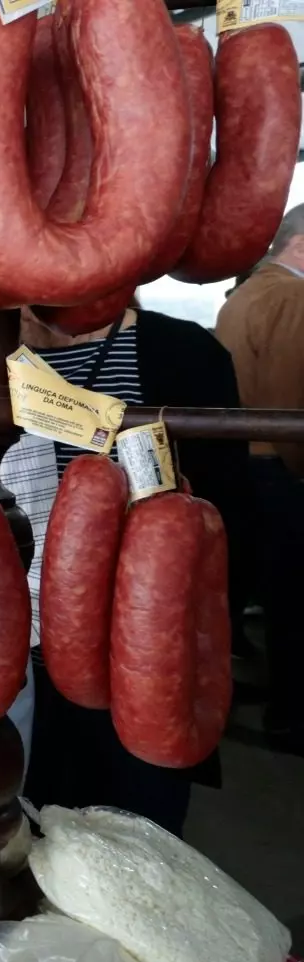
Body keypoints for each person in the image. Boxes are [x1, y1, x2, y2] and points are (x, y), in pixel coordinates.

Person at [16, 303, 251, 833]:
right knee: (32, 842)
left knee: (139, 837)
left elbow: (226, 524)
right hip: (21, 664)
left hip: (148, 661)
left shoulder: (185, 352)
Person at [214, 204, 304, 753]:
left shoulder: (243, 296)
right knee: (293, 598)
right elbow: (292, 406)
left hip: (241, 465)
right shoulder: (292, 299)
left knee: (261, 587)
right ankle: (292, 714)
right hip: (279, 469)